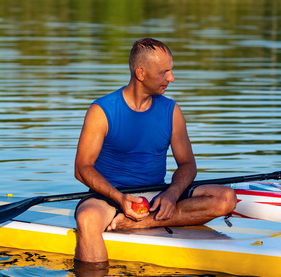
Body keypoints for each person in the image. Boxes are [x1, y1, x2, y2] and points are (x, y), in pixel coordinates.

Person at [74, 38, 237, 264]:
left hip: (158, 194)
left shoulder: (172, 111)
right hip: (110, 196)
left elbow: (188, 164)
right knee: (88, 219)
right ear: (140, 73)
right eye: (164, 72)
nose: (171, 78)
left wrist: (172, 193)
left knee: (226, 199)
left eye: (170, 71)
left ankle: (142, 222)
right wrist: (120, 198)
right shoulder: (101, 111)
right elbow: (82, 168)